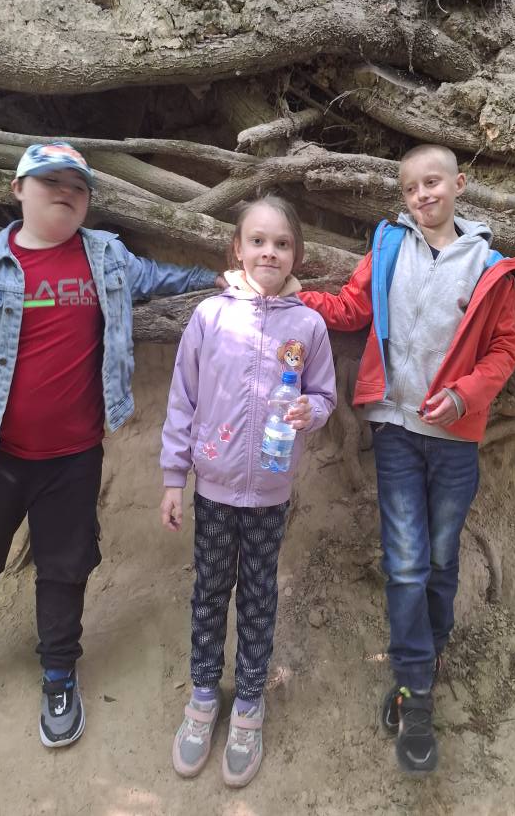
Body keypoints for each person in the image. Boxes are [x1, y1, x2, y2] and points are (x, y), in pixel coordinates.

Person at [0, 141, 223, 753]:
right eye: (50, 181)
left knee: (65, 568)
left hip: (74, 457)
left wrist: (214, 279)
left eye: (78, 186)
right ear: (18, 189)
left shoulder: (106, 259)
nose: (65, 192)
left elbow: (157, 278)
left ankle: (59, 673)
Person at [300, 144, 515, 777]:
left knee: (441, 560)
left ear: (459, 184)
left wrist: (464, 395)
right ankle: (416, 691)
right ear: (402, 198)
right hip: (395, 428)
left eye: (433, 182)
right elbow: (352, 308)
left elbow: (505, 349)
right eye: (410, 188)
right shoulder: (390, 247)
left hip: (455, 438)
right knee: (405, 564)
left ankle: (430, 651)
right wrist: (294, 296)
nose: (422, 195)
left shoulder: (489, 267)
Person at [160, 195, 336, 788]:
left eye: (282, 244)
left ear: (296, 256)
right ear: (237, 249)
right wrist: (173, 478)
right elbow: (182, 399)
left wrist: (311, 409)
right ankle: (203, 696)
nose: (269, 252)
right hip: (212, 490)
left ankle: (250, 703)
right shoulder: (210, 317)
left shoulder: (308, 326)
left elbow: (325, 396)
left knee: (259, 595)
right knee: (210, 592)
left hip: (270, 494)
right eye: (257, 241)